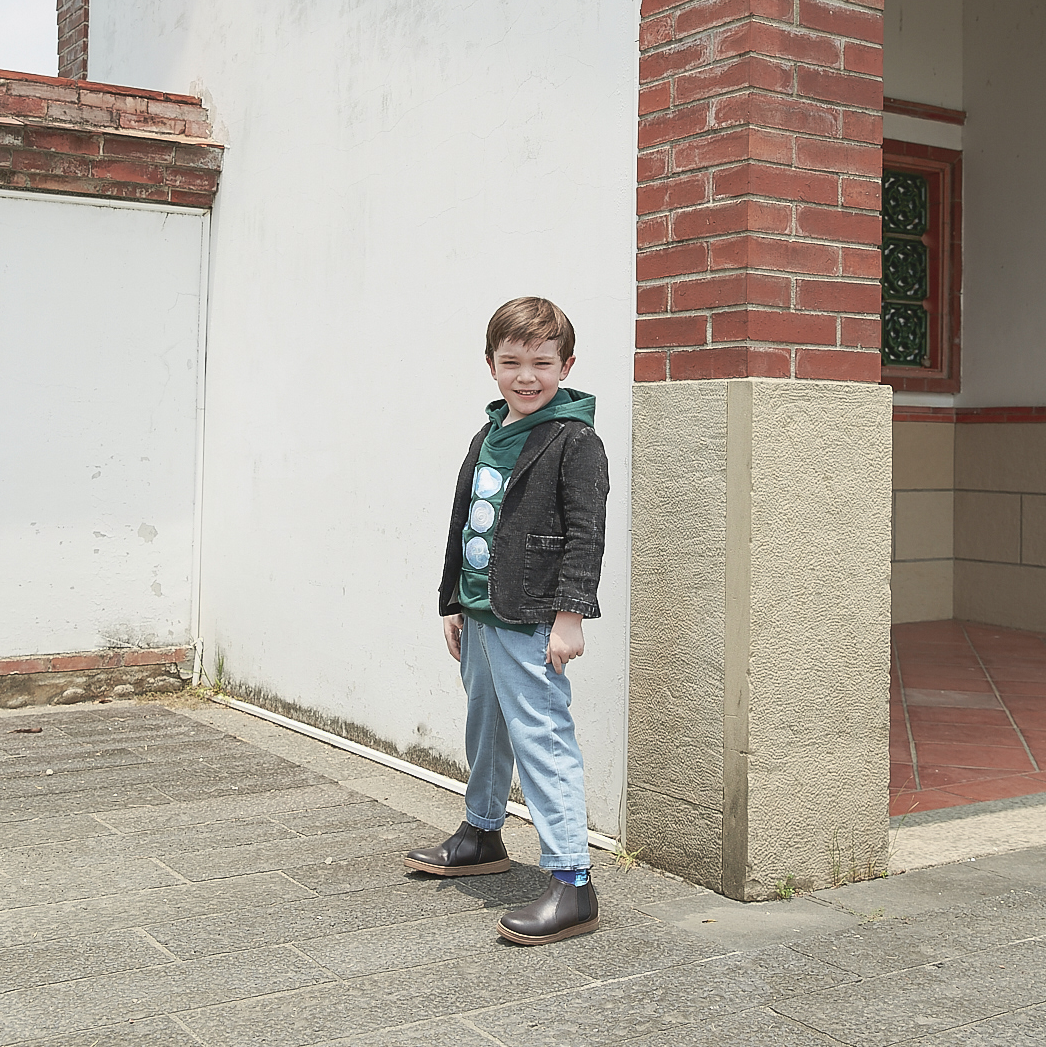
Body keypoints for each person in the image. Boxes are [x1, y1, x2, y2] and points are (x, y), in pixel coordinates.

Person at [404, 296, 610, 945]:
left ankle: (572, 880)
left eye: (541, 362)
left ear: (566, 364)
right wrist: (453, 600)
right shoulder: (489, 433)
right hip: (481, 613)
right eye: (512, 361)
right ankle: (482, 829)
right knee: (485, 725)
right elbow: (464, 521)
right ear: (491, 364)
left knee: (543, 739)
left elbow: (586, 534)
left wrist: (570, 616)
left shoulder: (574, 439)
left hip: (531, 619)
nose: (527, 375)